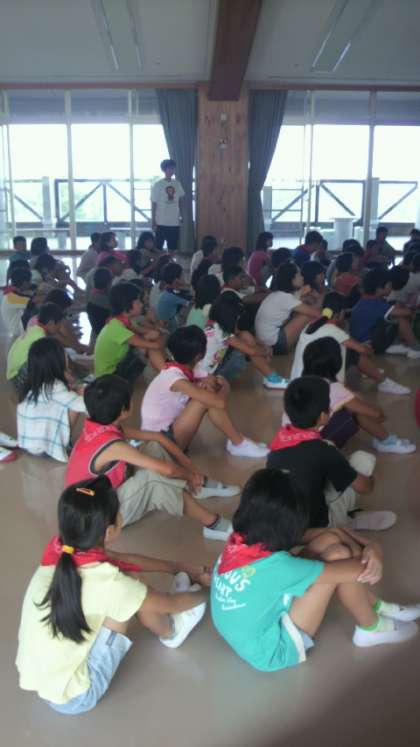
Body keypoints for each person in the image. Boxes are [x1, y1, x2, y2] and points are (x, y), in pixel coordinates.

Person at [16, 476, 209, 714]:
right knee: (130, 592)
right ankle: (171, 632)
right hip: (76, 697)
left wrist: (178, 567)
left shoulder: (62, 550)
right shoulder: (110, 584)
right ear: (109, 531)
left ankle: (159, 617)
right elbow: (171, 603)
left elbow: (124, 560)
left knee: (124, 585)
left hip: (42, 680)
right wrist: (207, 592)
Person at [211, 469, 419, 673]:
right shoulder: (276, 567)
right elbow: (359, 569)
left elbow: (327, 533)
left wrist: (353, 539)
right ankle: (371, 626)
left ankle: (376, 606)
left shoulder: (243, 537)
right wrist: (375, 548)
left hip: (248, 633)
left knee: (331, 540)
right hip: (273, 651)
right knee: (339, 555)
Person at [65, 376, 233, 540]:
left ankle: (193, 487)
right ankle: (212, 524)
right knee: (152, 480)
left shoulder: (100, 425)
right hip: (97, 521)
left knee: (153, 447)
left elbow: (156, 437)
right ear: (123, 410)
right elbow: (168, 470)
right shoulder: (113, 446)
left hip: (99, 497)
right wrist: (190, 475)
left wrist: (190, 466)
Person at [267, 376, 396, 531]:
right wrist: (371, 481)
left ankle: (342, 519)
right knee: (364, 459)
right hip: (316, 526)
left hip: (285, 524)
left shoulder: (276, 444)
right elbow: (365, 488)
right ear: (323, 416)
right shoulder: (324, 449)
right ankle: (344, 522)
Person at [141, 326, 269, 458]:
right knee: (205, 400)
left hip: (168, 436)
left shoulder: (184, 367)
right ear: (199, 355)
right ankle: (238, 443)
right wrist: (212, 389)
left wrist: (212, 386)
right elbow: (220, 403)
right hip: (158, 447)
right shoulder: (174, 378)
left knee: (211, 392)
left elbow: (218, 382)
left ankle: (238, 442)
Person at [300, 337, 415, 454]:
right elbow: (378, 415)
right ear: (336, 362)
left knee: (347, 407)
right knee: (356, 412)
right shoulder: (333, 388)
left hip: (294, 443)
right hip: (316, 447)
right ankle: (387, 441)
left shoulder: (298, 383)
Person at [290, 292, 410, 395]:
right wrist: (368, 349)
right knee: (354, 352)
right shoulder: (333, 330)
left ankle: (372, 373)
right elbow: (363, 350)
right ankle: (383, 381)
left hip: (297, 380)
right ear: (341, 313)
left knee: (350, 349)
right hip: (317, 386)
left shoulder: (311, 325)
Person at [196, 293, 289, 389]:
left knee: (245, 336)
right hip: (208, 376)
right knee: (250, 348)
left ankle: (270, 375)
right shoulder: (221, 332)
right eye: (237, 317)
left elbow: (240, 333)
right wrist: (266, 351)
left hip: (208, 371)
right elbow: (252, 351)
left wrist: (263, 346)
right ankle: (272, 378)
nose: (237, 320)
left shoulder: (213, 325)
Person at [17, 337, 86, 462]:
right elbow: (84, 405)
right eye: (64, 353)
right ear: (57, 360)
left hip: (28, 445)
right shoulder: (56, 386)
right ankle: (63, 443)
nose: (66, 356)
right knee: (77, 396)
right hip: (47, 450)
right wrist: (83, 392)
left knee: (70, 395)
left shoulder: (32, 384)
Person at [94, 282, 166, 381]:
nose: (142, 305)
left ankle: (167, 373)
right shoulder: (117, 329)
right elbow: (157, 345)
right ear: (126, 305)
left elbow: (152, 332)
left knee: (148, 341)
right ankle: (168, 376)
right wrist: (162, 335)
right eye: (138, 302)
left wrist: (156, 330)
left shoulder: (123, 321)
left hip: (117, 368)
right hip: (109, 379)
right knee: (148, 346)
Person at [350, 269, 420, 358]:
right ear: (379, 289)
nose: (391, 287)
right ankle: (415, 348)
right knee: (401, 319)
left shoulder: (364, 300)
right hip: (370, 345)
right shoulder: (376, 304)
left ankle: (392, 345)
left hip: (358, 341)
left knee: (391, 316)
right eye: (389, 285)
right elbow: (407, 312)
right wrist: (414, 308)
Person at [255, 261, 319, 354]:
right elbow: (317, 313)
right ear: (292, 279)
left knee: (304, 305)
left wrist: (305, 296)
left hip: (267, 341)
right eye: (299, 275)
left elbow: (298, 300)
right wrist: (318, 298)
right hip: (275, 345)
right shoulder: (285, 298)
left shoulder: (278, 294)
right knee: (307, 315)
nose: (302, 277)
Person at [6, 302, 64, 396]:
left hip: (14, 374)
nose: (59, 328)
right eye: (59, 325)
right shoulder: (41, 337)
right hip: (19, 378)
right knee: (49, 361)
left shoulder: (34, 329)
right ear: (51, 323)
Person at [151, 159, 184, 254]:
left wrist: (181, 216)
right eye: (169, 168)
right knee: (158, 246)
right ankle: (159, 262)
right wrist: (153, 220)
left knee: (172, 246)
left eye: (173, 168)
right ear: (164, 170)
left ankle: (170, 261)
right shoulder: (158, 185)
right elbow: (154, 203)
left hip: (174, 221)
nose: (171, 170)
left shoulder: (177, 184)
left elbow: (180, 200)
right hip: (161, 221)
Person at [157, 263, 191, 332]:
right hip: (169, 327)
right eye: (182, 275)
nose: (184, 277)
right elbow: (190, 304)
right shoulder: (172, 297)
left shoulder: (167, 291)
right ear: (176, 280)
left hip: (166, 322)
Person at [1, 265, 33, 337]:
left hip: (14, 326)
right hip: (16, 330)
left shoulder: (10, 292)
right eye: (29, 281)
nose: (31, 283)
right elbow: (33, 302)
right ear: (25, 283)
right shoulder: (12, 297)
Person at [86, 268, 112, 336]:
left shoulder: (92, 295)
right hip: (107, 334)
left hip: (98, 334)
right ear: (108, 283)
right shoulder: (104, 300)